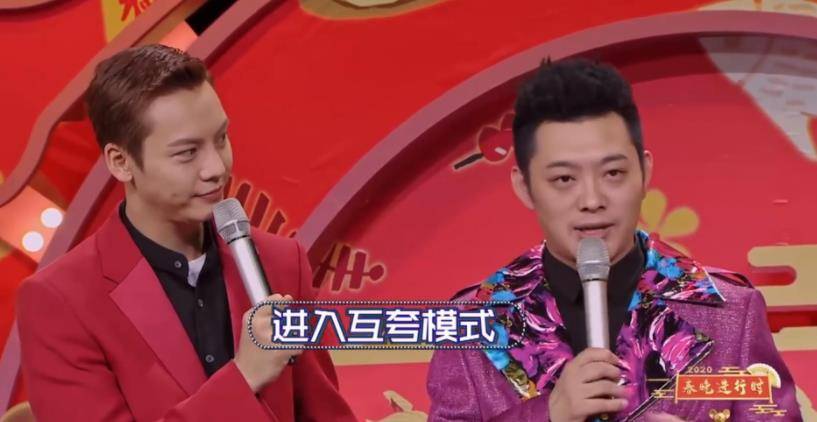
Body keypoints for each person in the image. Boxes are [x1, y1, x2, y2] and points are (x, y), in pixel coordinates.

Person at [426, 58, 801, 421]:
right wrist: (549, 414)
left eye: (613, 173)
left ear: (645, 172)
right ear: (524, 187)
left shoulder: (731, 312)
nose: (592, 200)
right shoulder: (472, 322)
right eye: (564, 179)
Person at [16, 44, 356, 421]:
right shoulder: (61, 302)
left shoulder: (280, 263)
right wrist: (244, 377)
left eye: (221, 138)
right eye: (187, 153)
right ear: (121, 161)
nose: (216, 168)